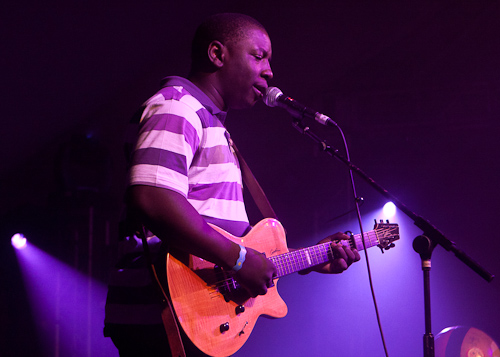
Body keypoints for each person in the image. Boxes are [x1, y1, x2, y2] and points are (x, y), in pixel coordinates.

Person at [104, 13, 360, 357]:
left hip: (197, 316)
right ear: (217, 54)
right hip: (160, 313)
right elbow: (151, 197)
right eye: (259, 56)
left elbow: (229, 237)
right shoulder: (178, 105)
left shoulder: (214, 126)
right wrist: (239, 259)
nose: (269, 70)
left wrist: (309, 258)